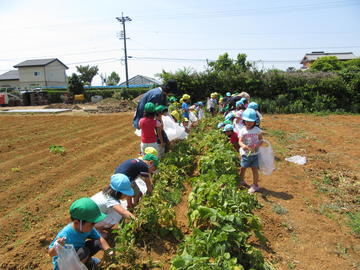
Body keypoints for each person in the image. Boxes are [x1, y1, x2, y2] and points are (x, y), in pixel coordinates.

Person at [48, 198, 111, 270]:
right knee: (84, 252)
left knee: (97, 243)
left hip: (78, 254)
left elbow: (100, 238)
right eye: (92, 224)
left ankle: (86, 263)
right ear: (77, 223)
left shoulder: (87, 228)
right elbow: (51, 254)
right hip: (64, 265)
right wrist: (57, 247)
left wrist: (110, 252)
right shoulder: (65, 235)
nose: (94, 226)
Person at [238, 108, 263, 194]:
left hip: (255, 154)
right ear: (244, 120)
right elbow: (240, 141)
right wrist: (244, 146)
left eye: (251, 121)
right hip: (245, 154)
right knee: (243, 167)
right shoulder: (242, 130)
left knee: (254, 169)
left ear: (255, 122)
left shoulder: (257, 130)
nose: (248, 123)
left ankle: (255, 185)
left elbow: (261, 140)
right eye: (247, 121)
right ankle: (241, 181)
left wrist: (257, 146)